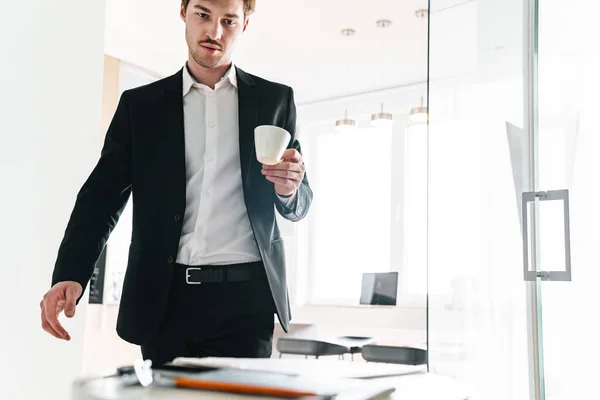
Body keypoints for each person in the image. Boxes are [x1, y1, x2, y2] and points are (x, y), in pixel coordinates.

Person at [39, 0, 312, 366]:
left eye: (229, 20)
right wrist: (70, 274)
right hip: (163, 300)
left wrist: (290, 188)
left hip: (247, 303)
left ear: (245, 24)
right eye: (203, 15)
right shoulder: (141, 107)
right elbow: (101, 198)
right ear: (183, 12)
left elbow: (298, 198)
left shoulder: (276, 100)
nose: (215, 32)